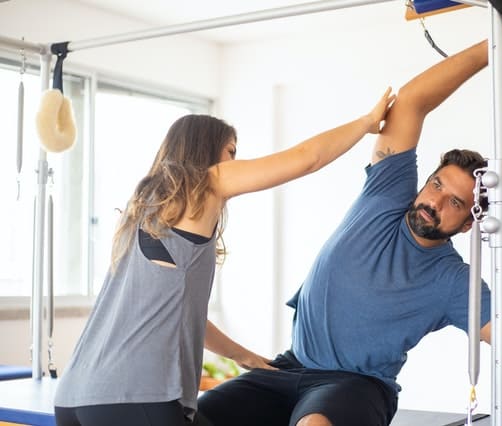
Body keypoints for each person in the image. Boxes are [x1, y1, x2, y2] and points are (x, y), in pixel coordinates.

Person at [197, 25, 502, 426]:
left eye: (454, 202)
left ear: (468, 223)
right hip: (289, 367)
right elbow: (410, 102)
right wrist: (490, 50)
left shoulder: (452, 281)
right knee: (199, 415)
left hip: (355, 387)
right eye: (435, 185)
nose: (434, 202)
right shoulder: (386, 195)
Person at [53, 87, 396, 426]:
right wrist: (366, 122)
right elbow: (308, 158)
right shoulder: (208, 181)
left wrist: (242, 355)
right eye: (231, 151)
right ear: (208, 151)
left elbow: (180, 314)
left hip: (74, 399)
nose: (234, 162)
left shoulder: (142, 209)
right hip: (136, 396)